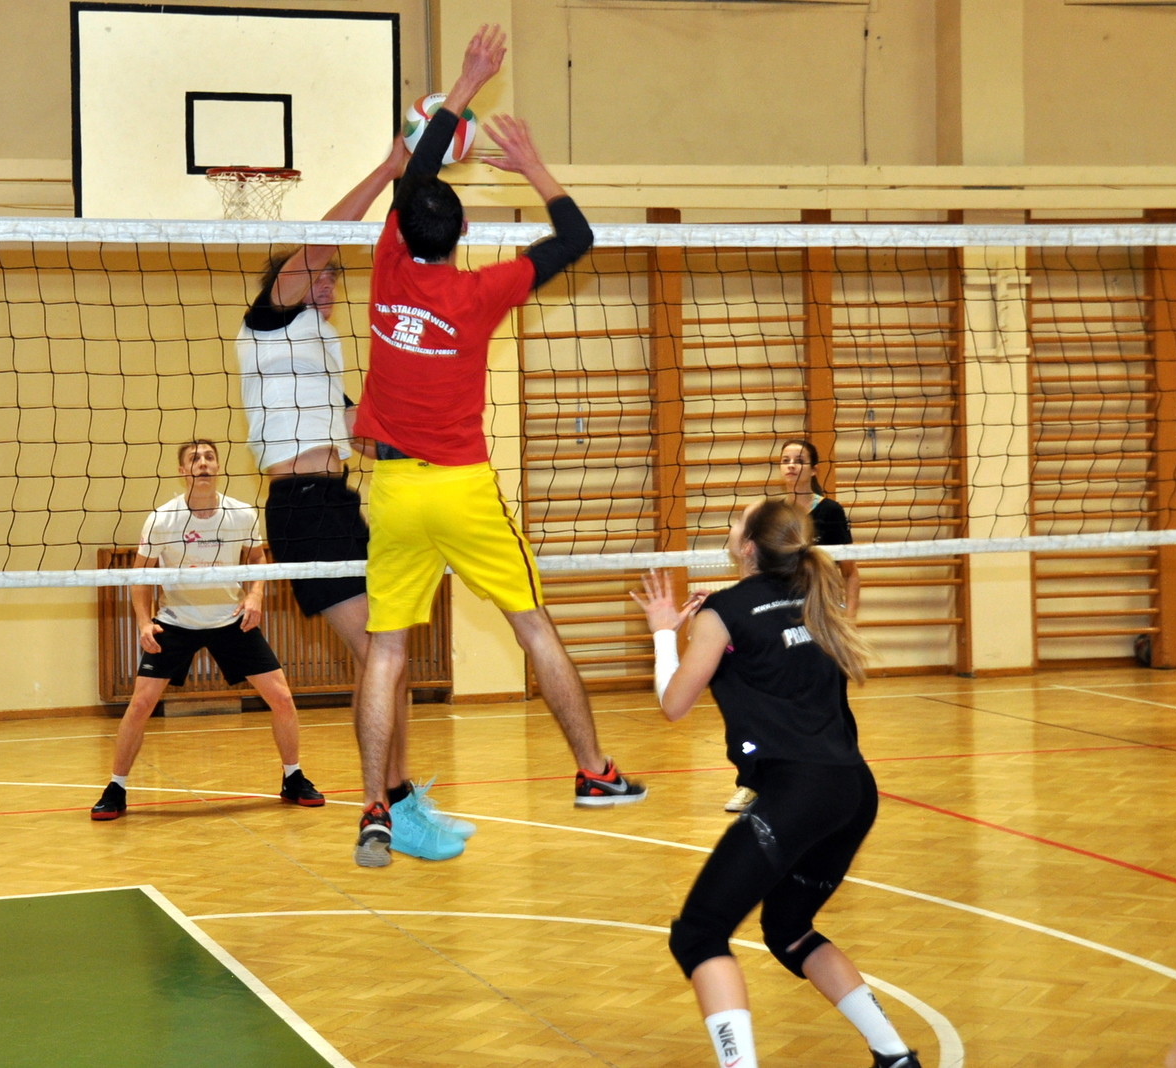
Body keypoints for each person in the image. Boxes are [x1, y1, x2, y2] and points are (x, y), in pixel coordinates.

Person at [347, 24, 645, 869]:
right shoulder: (483, 291)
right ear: (462, 231)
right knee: (533, 627)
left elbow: (417, 171)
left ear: (402, 225)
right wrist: (536, 167)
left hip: (394, 493)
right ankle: (594, 772)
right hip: (463, 487)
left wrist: (465, 85)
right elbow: (576, 239)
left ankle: (374, 808)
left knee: (386, 650)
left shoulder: (387, 261)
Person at [632, 498, 919, 1068]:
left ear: (746, 547)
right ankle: (894, 1057)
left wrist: (665, 633)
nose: (729, 528)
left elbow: (673, 704)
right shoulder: (817, 595)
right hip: (854, 792)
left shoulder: (725, 612)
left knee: (699, 934)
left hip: (798, 795)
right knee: (788, 928)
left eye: (735, 523)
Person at [235, 139, 464, 851]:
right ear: (292, 281)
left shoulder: (320, 352)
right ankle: (388, 805)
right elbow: (321, 240)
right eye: (322, 273)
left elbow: (366, 436)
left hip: (341, 504)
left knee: (390, 653)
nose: (331, 280)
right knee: (377, 652)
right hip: (302, 508)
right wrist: (392, 169)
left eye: (336, 275)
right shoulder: (269, 324)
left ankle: (401, 799)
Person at [90, 439, 324, 820]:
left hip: (230, 619)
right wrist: (144, 622)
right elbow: (139, 576)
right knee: (141, 704)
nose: (203, 463)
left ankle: (293, 777)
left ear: (217, 466)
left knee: (282, 697)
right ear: (183, 470)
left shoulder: (241, 514)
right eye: (194, 458)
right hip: (176, 622)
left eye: (209, 457)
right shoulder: (162, 520)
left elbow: (256, 558)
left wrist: (255, 596)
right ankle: (116, 787)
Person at [724, 438, 860, 814]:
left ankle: (846, 773)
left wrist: (846, 623)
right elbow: (753, 567)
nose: (790, 466)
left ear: (814, 469)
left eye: (799, 460)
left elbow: (851, 572)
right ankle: (753, 783)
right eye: (785, 460)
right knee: (766, 707)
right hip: (778, 621)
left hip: (821, 620)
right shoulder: (772, 515)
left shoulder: (830, 512)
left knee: (833, 703)